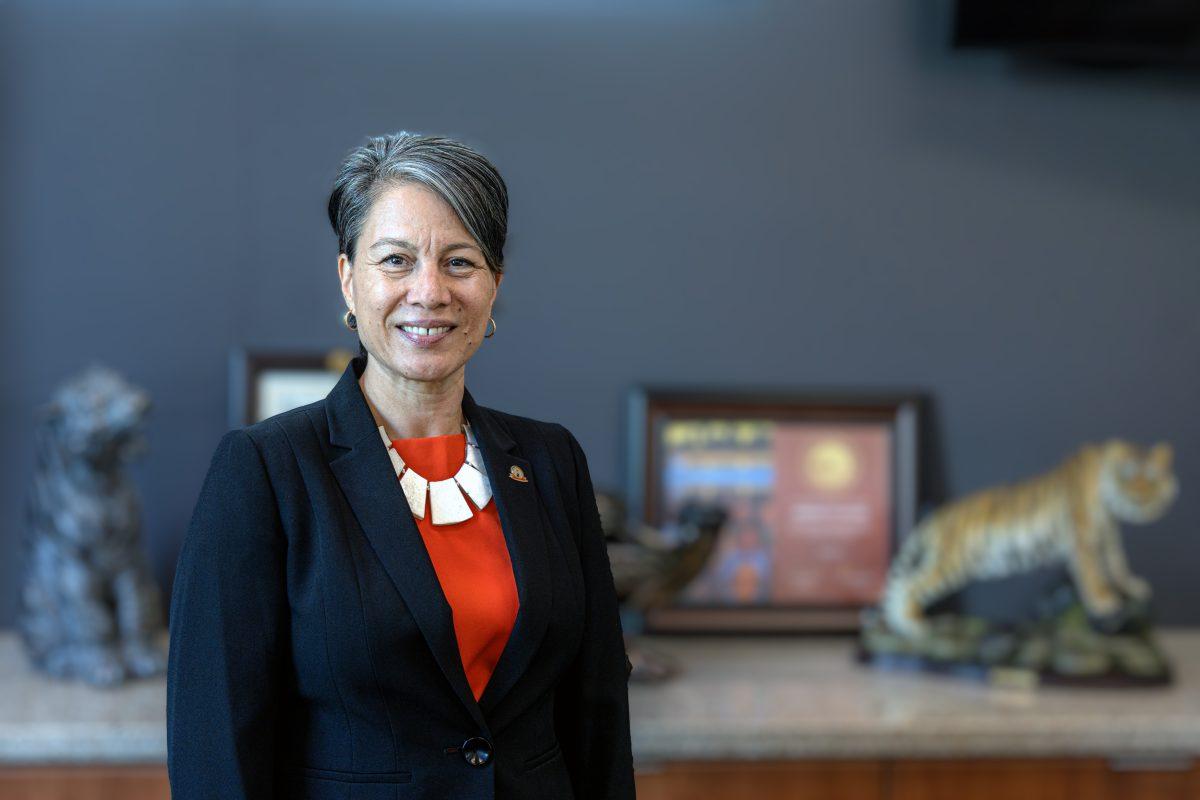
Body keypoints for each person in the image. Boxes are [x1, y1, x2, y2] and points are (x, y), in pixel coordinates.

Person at [166, 132, 636, 799]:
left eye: (459, 262)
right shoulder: (265, 471)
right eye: (395, 260)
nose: (430, 291)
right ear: (348, 279)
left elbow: (598, 719)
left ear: (494, 285)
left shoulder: (551, 459)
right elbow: (216, 750)